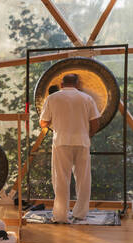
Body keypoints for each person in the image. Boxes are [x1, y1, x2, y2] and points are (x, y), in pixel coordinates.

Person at [40, 74, 100, 222]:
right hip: (82, 142)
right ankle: (80, 213)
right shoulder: (87, 98)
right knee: (83, 179)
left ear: (61, 84)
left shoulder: (52, 98)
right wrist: (88, 135)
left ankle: (60, 216)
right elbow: (95, 123)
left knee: (61, 179)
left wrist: (57, 122)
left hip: (61, 142)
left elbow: (43, 122)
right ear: (77, 83)